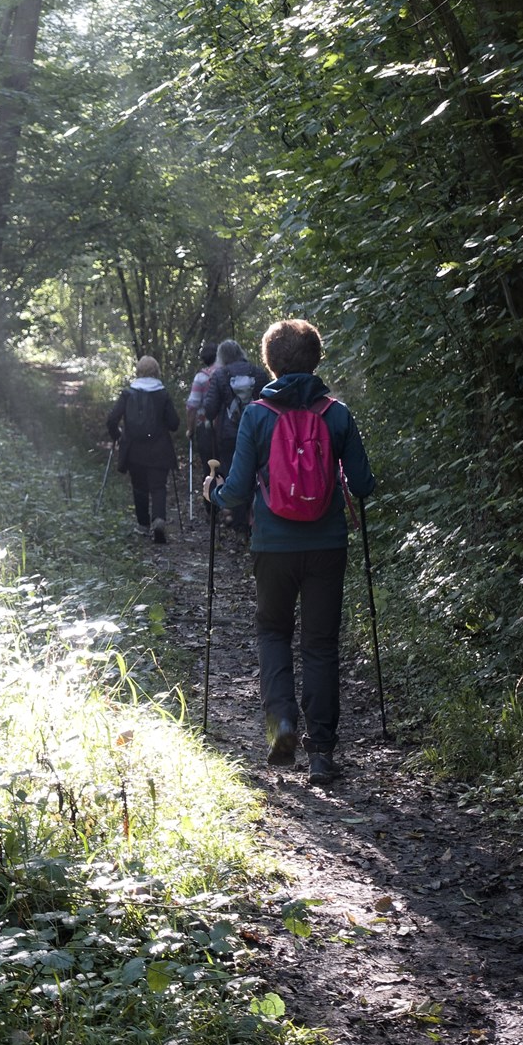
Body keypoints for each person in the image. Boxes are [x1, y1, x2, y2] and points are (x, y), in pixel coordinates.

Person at [203, 318, 374, 781]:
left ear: (270, 363)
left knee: (273, 632)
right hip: (326, 545)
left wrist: (213, 494)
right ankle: (322, 754)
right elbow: (362, 484)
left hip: (272, 545)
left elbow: (236, 491)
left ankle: (280, 725)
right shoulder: (336, 413)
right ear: (316, 359)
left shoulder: (258, 415)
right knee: (320, 645)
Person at [107, 356, 180, 544]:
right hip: (159, 448)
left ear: (138, 371)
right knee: (158, 487)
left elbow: (112, 419)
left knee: (139, 486)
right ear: (157, 371)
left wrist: (118, 437)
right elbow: (174, 424)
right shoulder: (162, 393)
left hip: (134, 449)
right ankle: (159, 520)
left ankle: (142, 524)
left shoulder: (128, 393)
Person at [201, 338, 268, 534]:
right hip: (257, 433)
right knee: (260, 474)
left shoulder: (220, 374)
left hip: (230, 436)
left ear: (221, 356)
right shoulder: (258, 372)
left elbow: (210, 408)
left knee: (234, 475)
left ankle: (240, 525)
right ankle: (256, 520)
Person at [184, 338, 219, 516]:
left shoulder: (201, 377)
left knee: (209, 469)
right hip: (227, 429)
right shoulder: (226, 373)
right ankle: (231, 510)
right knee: (227, 466)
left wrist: (190, 429)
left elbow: (192, 406)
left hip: (205, 429)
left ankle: (211, 509)